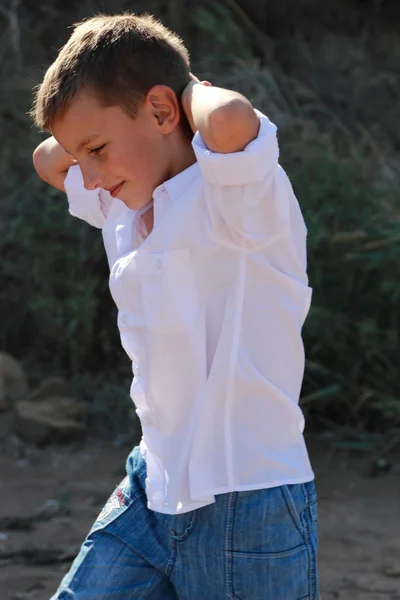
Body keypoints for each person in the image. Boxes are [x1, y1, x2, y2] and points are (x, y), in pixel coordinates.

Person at [32, 13, 319, 600]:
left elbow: (232, 119)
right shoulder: (122, 201)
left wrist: (184, 88)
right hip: (151, 488)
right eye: (82, 155)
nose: (86, 174)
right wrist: (97, 137)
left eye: (97, 149)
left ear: (166, 114)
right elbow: (47, 159)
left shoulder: (238, 196)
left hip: (249, 501)